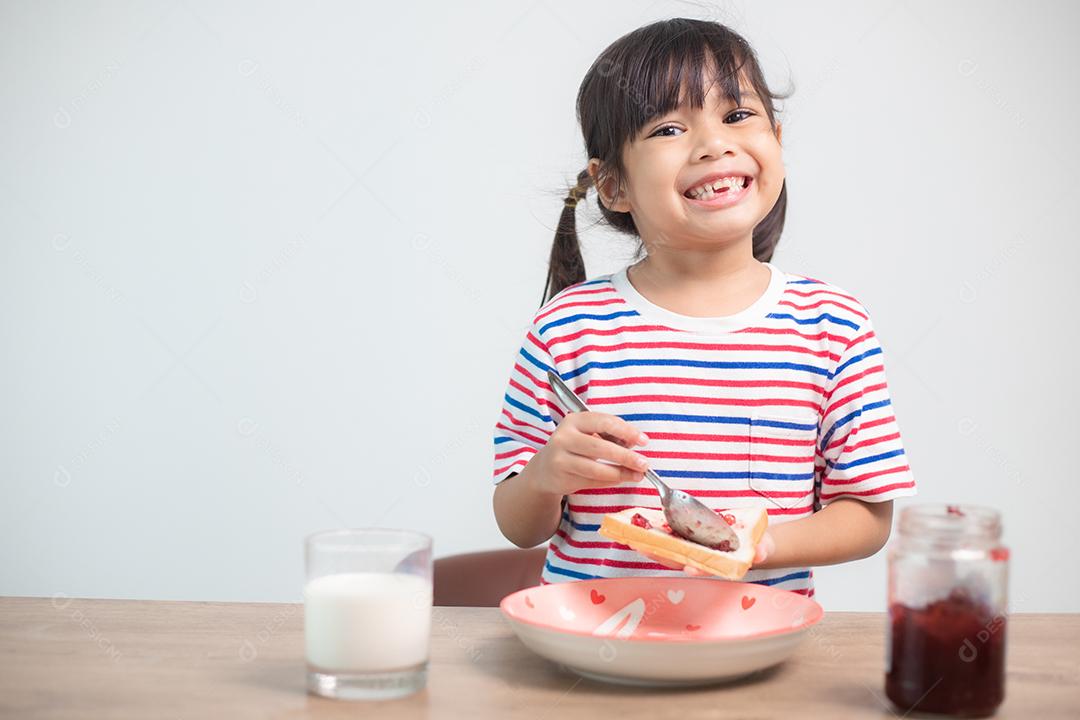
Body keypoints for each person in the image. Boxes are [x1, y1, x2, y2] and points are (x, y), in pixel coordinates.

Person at [491, 18, 916, 597]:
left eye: (737, 116)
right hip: (599, 649)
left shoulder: (832, 326)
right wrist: (545, 477)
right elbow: (518, 524)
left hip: (755, 652)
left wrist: (761, 546)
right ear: (613, 185)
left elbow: (868, 517)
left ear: (778, 142)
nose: (714, 143)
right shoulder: (567, 328)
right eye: (668, 127)